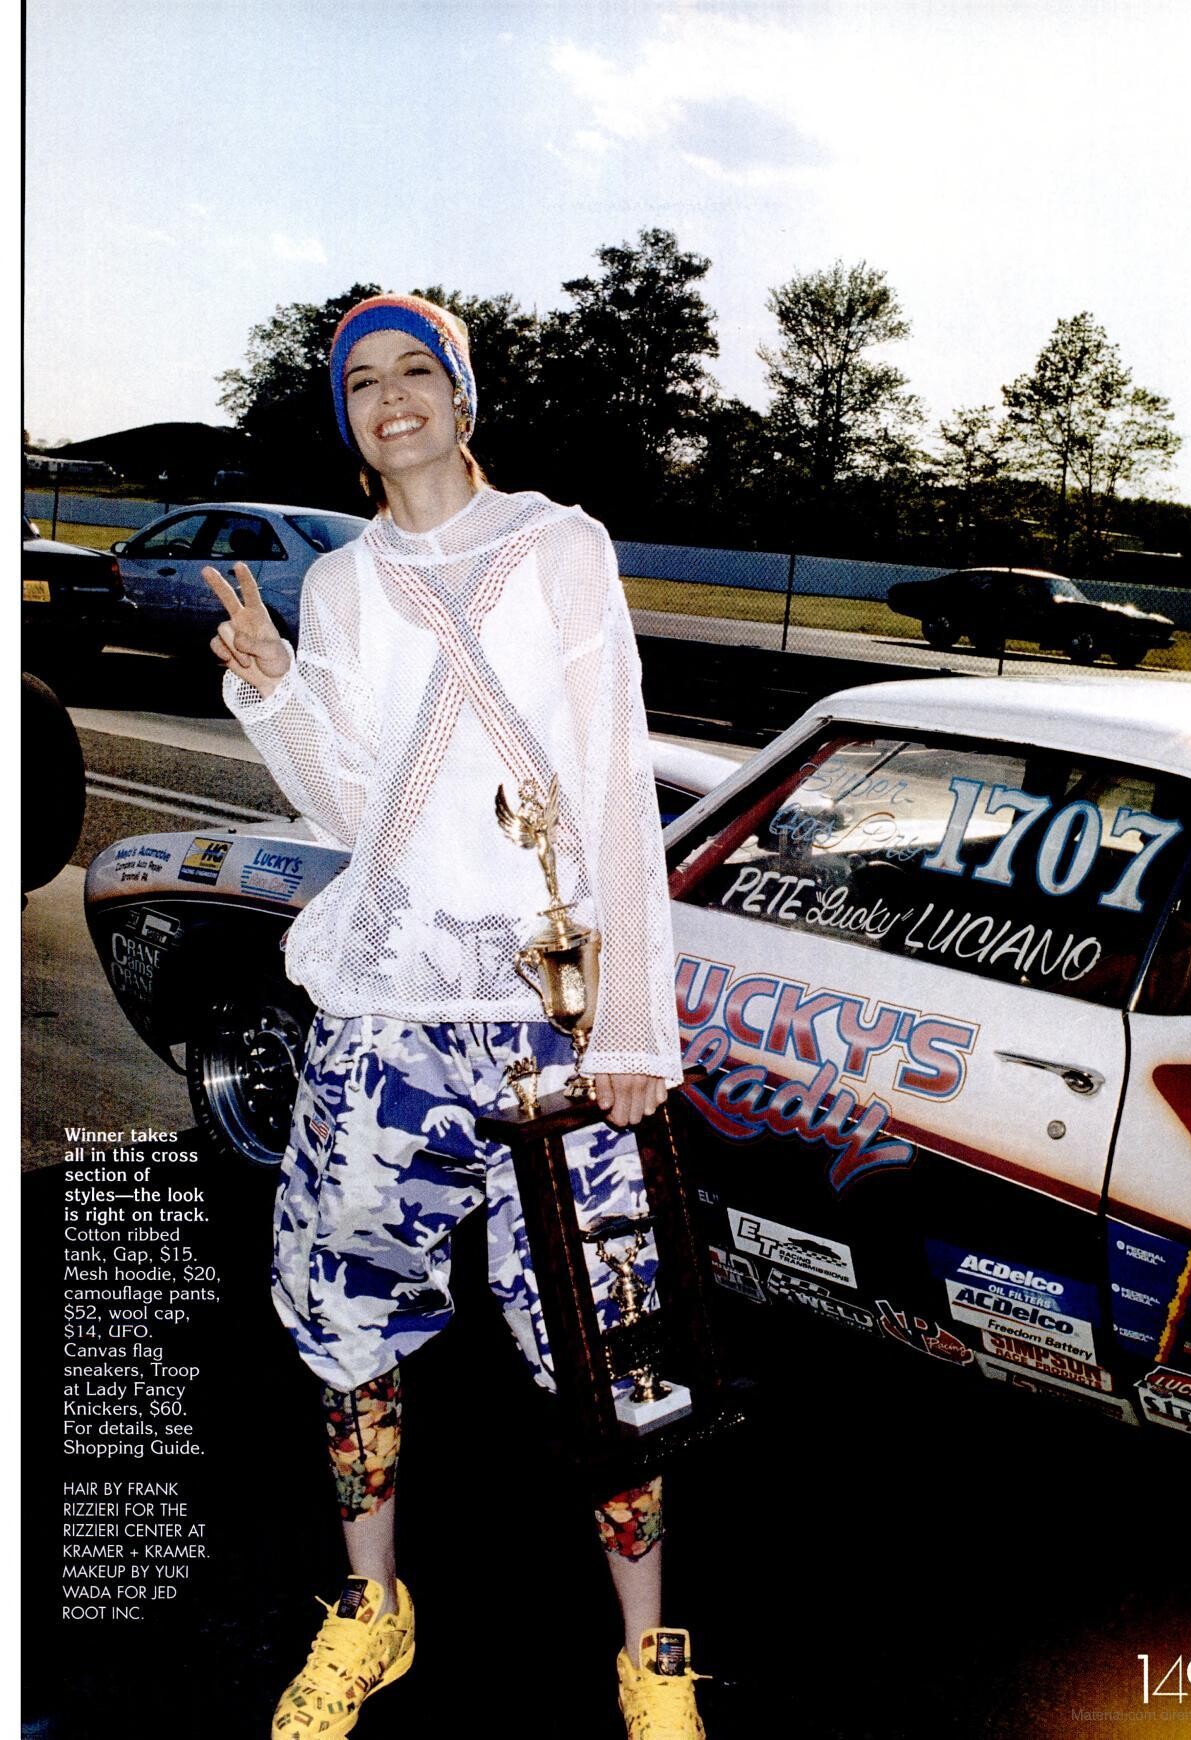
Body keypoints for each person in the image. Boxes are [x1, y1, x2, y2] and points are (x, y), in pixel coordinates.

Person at [202, 293, 707, 1739]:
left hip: (556, 1018)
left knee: (612, 1339)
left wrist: (632, 1025)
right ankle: (372, 1609)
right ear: (347, 419)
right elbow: (358, 809)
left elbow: (614, 777)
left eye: (416, 368)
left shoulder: (559, 546)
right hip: (392, 1009)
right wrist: (278, 691)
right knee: (343, 1313)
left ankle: (651, 1651)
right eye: (362, 380)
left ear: (463, 393)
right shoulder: (342, 585)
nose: (392, 396)